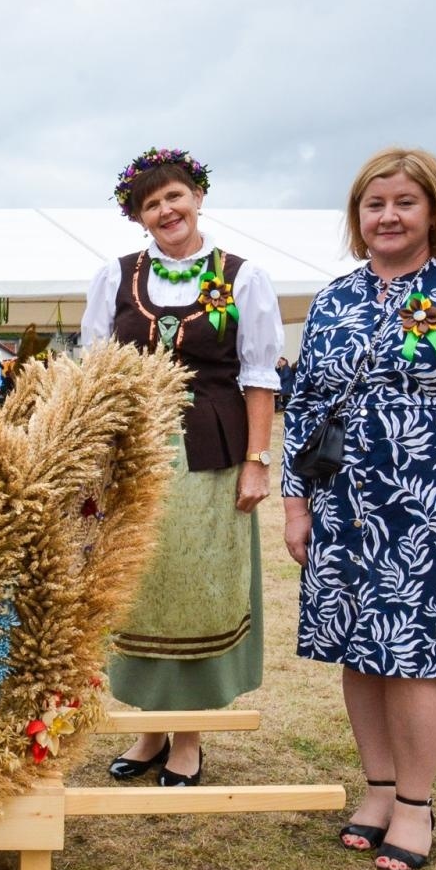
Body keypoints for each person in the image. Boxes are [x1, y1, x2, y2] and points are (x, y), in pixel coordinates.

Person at [283, 147, 436, 870]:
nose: (387, 216)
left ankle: (416, 807)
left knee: (415, 657)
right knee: (359, 653)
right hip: (345, 505)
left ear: (433, 211)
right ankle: (379, 790)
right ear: (357, 217)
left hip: (432, 507)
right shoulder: (334, 297)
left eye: (404, 203)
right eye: (373, 204)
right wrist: (297, 506)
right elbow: (306, 407)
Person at [81, 148, 284, 787]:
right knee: (137, 584)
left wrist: (256, 461)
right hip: (133, 455)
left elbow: (258, 376)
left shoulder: (242, 277)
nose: (166, 210)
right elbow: (94, 370)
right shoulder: (114, 277)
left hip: (211, 454)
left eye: (175, 196)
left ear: (198, 198)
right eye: (151, 204)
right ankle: (148, 732)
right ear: (138, 218)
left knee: (196, 589)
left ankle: (188, 738)